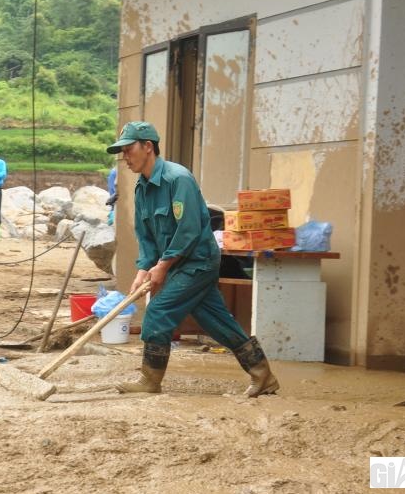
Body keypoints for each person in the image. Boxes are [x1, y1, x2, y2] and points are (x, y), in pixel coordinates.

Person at [106, 121, 278, 397]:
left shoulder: (178, 179)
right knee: (216, 321)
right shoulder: (142, 188)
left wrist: (162, 266)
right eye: (122, 152)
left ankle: (150, 381)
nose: (124, 158)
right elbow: (146, 235)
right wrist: (143, 269)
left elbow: (187, 230)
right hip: (177, 264)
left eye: (128, 150)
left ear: (147, 147)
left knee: (157, 314)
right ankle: (262, 374)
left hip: (198, 262)